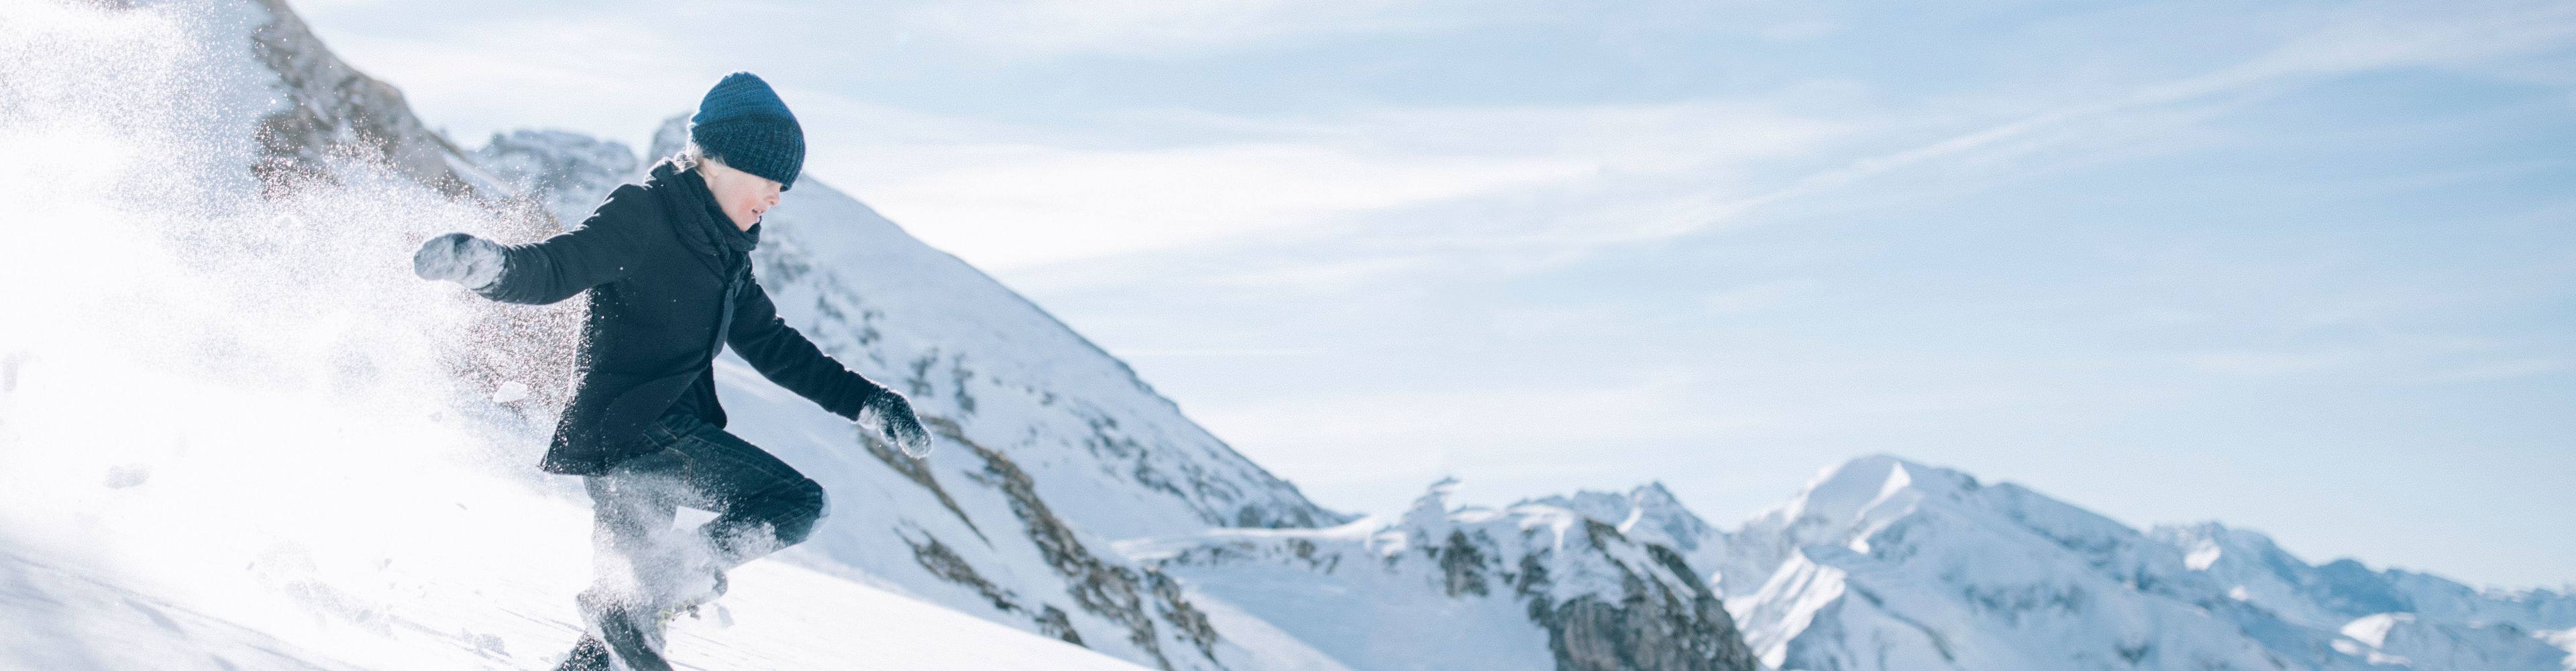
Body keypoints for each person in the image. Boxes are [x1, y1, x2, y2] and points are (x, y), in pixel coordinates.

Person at [412, 72, 930, 671]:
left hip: (631, 449)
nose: (776, 198)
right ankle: (651, 594)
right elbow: (557, 267)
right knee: (794, 502)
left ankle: (621, 622)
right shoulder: (644, 214)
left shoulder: (727, 257)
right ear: (721, 162)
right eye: (770, 179)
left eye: (783, 187)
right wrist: (487, 266)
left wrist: (869, 401)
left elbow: (775, 346)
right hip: (645, 431)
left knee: (611, 634)